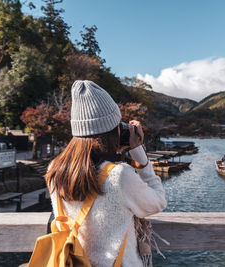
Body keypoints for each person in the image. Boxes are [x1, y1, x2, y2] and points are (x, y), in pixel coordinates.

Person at [45, 80, 167, 267]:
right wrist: (138, 151)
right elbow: (158, 202)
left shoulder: (55, 169)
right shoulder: (119, 175)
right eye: (119, 125)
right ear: (113, 131)